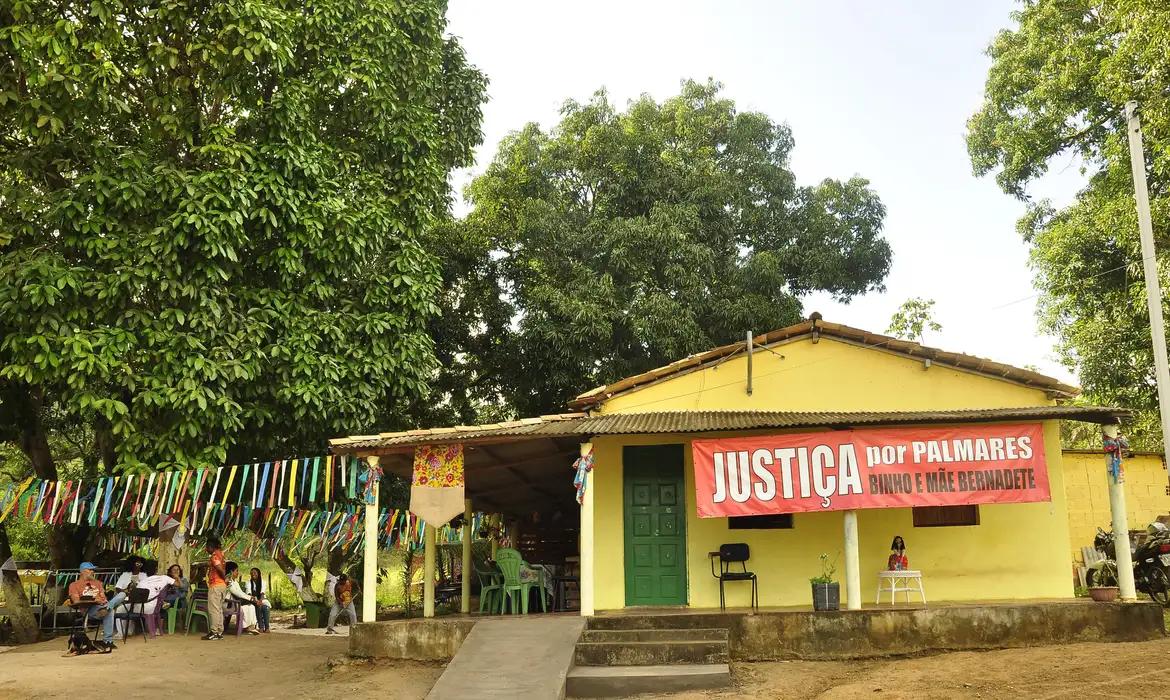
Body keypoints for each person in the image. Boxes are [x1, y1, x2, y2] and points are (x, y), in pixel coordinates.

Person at [68, 561, 124, 651]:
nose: (93, 572)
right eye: (90, 570)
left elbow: (103, 597)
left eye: (93, 570)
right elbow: (76, 601)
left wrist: (103, 600)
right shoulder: (74, 585)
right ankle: (108, 641)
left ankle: (107, 607)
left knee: (122, 595)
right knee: (110, 611)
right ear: (82, 571)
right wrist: (94, 600)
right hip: (88, 610)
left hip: (101, 607)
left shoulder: (97, 583)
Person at [225, 562, 261, 635]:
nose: (238, 573)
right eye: (236, 571)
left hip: (236, 602)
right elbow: (236, 593)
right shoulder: (228, 581)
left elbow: (240, 592)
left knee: (251, 607)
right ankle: (246, 627)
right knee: (245, 608)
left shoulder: (235, 582)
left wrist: (250, 598)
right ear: (231, 571)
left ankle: (251, 627)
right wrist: (249, 598)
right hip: (229, 604)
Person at [204, 536, 228, 641]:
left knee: (213, 610)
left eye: (207, 547)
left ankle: (213, 632)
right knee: (219, 610)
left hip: (216, 585)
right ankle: (219, 632)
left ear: (211, 547)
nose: (206, 549)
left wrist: (223, 577)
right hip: (222, 586)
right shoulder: (221, 554)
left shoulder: (215, 556)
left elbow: (220, 569)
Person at [248, 567, 271, 632]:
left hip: (262, 599)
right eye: (251, 573)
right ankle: (261, 627)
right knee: (259, 606)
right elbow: (249, 594)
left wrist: (260, 601)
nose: (253, 574)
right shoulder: (248, 583)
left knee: (265, 607)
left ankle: (267, 628)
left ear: (258, 574)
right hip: (253, 600)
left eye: (254, 573)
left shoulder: (263, 582)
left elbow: (262, 593)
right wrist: (256, 602)